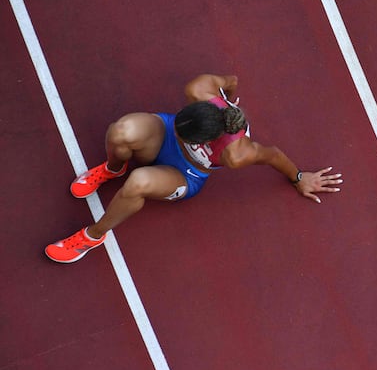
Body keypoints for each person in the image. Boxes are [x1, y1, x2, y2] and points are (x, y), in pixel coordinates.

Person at [45, 73, 343, 263]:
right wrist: (229, 96)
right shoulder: (198, 89)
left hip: (186, 172)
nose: (178, 133)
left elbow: (274, 155)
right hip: (158, 134)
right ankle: (112, 169)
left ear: (208, 139)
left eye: (183, 135)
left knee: (139, 182)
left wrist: (299, 178)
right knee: (121, 132)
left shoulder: (236, 154)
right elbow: (232, 79)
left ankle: (93, 236)